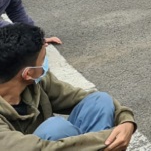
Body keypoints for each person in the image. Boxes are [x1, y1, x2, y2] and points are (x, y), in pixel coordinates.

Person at [0, 23, 137, 148]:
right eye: (43, 60)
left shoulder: (36, 82)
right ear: (28, 73)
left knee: (100, 101)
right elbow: (42, 148)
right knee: (55, 128)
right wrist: (111, 136)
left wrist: (126, 121)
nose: (46, 64)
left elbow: (82, 97)